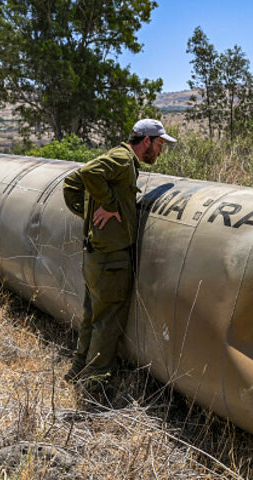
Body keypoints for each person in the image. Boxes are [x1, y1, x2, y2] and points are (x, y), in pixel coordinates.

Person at [62, 119, 176, 405]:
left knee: (93, 315)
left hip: (97, 253)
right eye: (160, 144)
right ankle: (95, 388)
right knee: (108, 322)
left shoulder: (122, 161)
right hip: (111, 257)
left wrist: (91, 215)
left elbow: (72, 183)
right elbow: (87, 173)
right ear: (146, 140)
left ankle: (78, 370)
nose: (161, 151)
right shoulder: (123, 159)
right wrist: (108, 207)